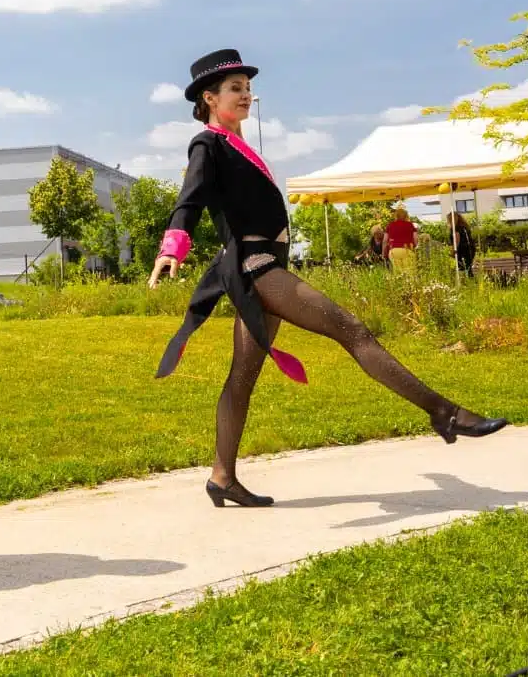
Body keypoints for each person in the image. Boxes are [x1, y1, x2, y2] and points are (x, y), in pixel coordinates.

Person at [147, 49, 508, 508]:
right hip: (257, 267)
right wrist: (172, 247)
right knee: (350, 328)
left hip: (265, 266)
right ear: (209, 98)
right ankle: (445, 413)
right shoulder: (208, 144)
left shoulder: (238, 146)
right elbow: (189, 199)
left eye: (248, 87)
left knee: (243, 376)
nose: (246, 94)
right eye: (235, 88)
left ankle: (222, 477)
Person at [382, 207, 418, 273]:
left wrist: (383, 253)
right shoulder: (410, 225)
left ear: (396, 216)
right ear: (406, 216)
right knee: (410, 272)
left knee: (397, 272)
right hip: (407, 250)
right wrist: (415, 247)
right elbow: (416, 239)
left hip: (393, 251)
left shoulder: (390, 225)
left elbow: (385, 241)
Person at [451, 212, 476, 279]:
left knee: (461, 268)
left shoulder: (455, 228)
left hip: (462, 251)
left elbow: (456, 240)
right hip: (470, 249)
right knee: (468, 268)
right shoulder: (465, 227)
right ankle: (471, 281)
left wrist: (452, 251)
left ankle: (463, 282)